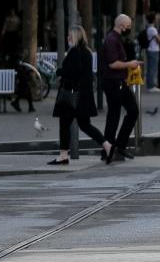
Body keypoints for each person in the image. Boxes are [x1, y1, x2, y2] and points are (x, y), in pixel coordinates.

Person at [48, 26, 113, 165]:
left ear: (75, 37)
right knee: (85, 125)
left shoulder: (74, 52)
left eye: (70, 36)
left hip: (72, 95)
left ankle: (63, 155)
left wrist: (60, 72)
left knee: (64, 124)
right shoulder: (87, 52)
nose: (67, 39)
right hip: (83, 96)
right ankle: (107, 146)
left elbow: (74, 72)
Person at [101, 14, 142, 163]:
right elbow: (113, 63)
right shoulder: (112, 40)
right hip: (114, 82)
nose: (129, 29)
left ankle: (112, 148)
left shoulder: (115, 39)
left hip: (116, 81)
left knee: (117, 113)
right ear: (122, 26)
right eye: (129, 26)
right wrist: (129, 64)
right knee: (126, 112)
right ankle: (114, 147)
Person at [143, 13, 160, 93]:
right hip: (153, 50)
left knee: (150, 68)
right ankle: (151, 85)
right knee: (152, 68)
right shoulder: (152, 29)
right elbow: (159, 40)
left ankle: (150, 84)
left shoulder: (149, 28)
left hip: (150, 50)